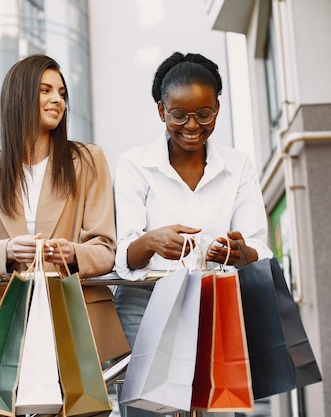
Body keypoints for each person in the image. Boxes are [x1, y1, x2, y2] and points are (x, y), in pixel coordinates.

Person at [0, 54, 129, 416]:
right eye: (45, 90)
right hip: (1, 323)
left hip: (71, 323)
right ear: (19, 96)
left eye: (62, 92)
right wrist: (6, 250)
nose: (58, 100)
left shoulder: (88, 160)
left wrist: (73, 253)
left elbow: (105, 247)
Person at [113, 51, 273, 417]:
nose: (192, 125)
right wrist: (152, 241)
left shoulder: (238, 166)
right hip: (146, 306)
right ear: (160, 112)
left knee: (216, 408)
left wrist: (238, 251)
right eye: (178, 115)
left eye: (204, 114)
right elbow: (124, 255)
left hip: (213, 306)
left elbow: (258, 249)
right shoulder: (135, 164)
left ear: (217, 108)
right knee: (149, 410)